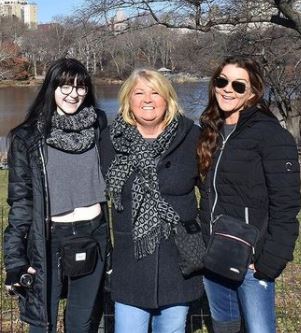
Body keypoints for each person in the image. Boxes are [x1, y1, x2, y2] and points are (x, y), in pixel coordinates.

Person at [197, 55, 300, 333]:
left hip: (252, 261)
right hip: (214, 254)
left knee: (259, 329)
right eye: (222, 81)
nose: (228, 89)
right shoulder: (210, 132)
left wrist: (269, 262)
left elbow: (286, 206)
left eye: (238, 85)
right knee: (225, 327)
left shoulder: (271, 136)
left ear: (253, 92)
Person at [4, 58, 108, 333]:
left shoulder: (98, 124)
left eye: (80, 86)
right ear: (51, 87)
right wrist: (15, 261)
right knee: (43, 323)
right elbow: (21, 201)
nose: (73, 93)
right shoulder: (26, 136)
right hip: (48, 239)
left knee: (82, 322)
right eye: (65, 85)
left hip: (93, 233)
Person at [100, 68, 203, 333]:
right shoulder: (109, 141)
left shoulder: (191, 137)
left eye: (155, 92)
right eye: (139, 93)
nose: (148, 99)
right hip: (130, 262)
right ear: (128, 100)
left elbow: (214, 192)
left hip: (177, 261)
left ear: (167, 98)